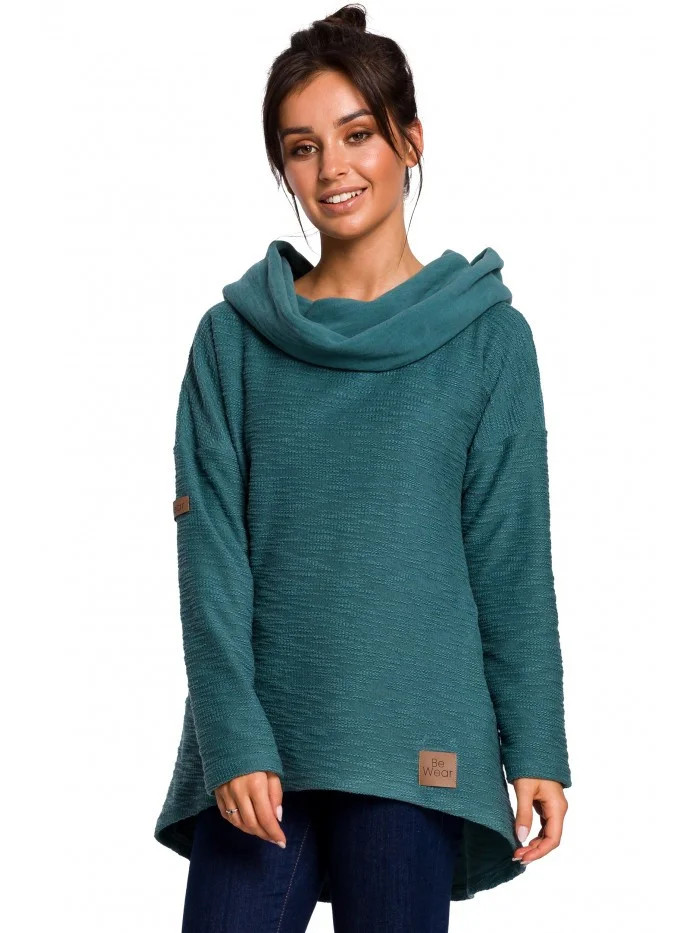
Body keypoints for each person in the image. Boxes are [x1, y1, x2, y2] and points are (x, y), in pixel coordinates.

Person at [153, 4, 572, 931]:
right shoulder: (232, 341)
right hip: (262, 741)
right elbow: (210, 556)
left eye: (357, 135)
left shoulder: (489, 340)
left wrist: (537, 743)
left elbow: (510, 556)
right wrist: (231, 734)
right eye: (301, 148)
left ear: (410, 141)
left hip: (418, 733)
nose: (331, 168)